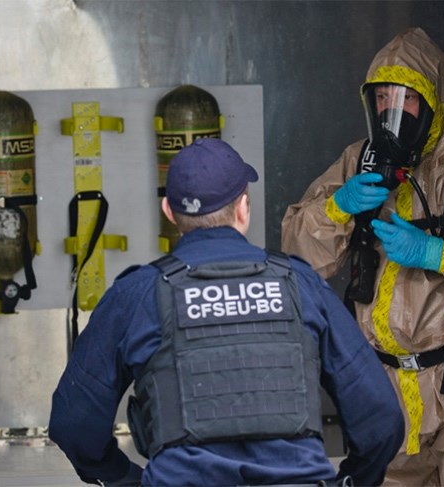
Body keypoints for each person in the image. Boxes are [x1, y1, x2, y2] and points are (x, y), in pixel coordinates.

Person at [49, 138, 404, 486]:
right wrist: (353, 480)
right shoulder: (302, 286)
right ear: (244, 209)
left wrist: (125, 478)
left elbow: (74, 425)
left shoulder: (136, 294)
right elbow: (381, 420)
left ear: (170, 212)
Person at [281, 28, 444, 486]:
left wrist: (441, 254)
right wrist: (336, 208)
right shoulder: (359, 161)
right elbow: (297, 254)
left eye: (407, 99)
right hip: (382, 389)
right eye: (383, 97)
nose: (393, 110)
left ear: (436, 102)